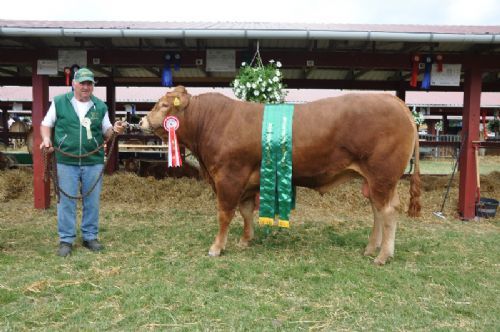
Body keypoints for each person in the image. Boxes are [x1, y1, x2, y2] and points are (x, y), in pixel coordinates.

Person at [40, 68, 125, 257]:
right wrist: (46, 139)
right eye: (82, 83)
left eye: (89, 83)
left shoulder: (100, 106)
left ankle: (90, 236)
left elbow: (107, 133)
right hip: (65, 160)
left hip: (92, 161)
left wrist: (115, 130)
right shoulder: (60, 102)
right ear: (74, 84)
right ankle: (66, 240)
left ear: (93, 86)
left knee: (92, 201)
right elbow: (46, 124)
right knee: (66, 201)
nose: (86, 87)